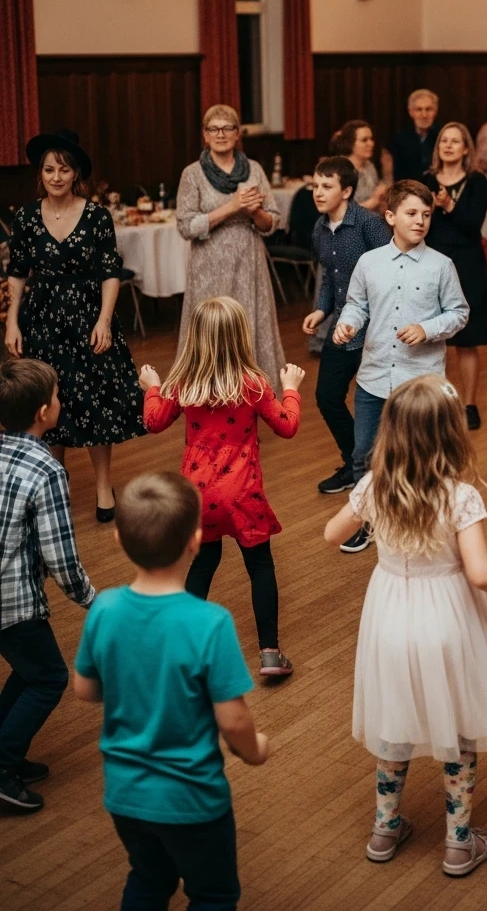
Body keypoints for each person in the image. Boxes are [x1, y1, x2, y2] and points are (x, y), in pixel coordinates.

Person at [323, 375, 487, 877]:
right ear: (450, 433)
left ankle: (385, 829)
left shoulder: (375, 486)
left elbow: (330, 532)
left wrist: (366, 504)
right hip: (447, 615)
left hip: (388, 617)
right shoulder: (460, 496)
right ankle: (459, 843)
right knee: (460, 727)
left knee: (395, 721)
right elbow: (483, 574)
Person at [74, 471, 268, 911]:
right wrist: (255, 749)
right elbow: (233, 719)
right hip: (193, 798)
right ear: (196, 541)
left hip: (125, 795)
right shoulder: (209, 622)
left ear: (120, 540)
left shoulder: (103, 608)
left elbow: (85, 689)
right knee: (213, 893)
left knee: (148, 879)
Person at [139, 297, 303, 678]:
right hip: (243, 492)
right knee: (259, 565)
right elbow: (288, 426)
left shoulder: (183, 384)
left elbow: (153, 421)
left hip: (197, 494)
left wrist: (153, 386)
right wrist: (291, 388)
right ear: (240, 337)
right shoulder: (254, 384)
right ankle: (270, 655)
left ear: (194, 339)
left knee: (203, 563)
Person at [4, 129, 145, 522]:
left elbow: (110, 273)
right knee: (47, 403)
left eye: (64, 170)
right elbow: (16, 272)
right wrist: (12, 322)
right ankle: (55, 484)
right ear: (41, 174)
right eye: (49, 169)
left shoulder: (98, 216)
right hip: (42, 320)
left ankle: (103, 485)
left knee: (93, 403)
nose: (56, 177)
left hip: (87, 318)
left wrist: (103, 320)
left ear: (75, 173)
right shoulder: (27, 217)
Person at [332, 180, 468, 554]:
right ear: (390, 217)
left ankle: (427, 522)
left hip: (420, 382)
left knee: (424, 454)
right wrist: (348, 323)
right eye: (411, 214)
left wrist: (427, 328)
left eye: (426, 214)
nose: (420, 221)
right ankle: (369, 522)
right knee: (364, 452)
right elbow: (356, 304)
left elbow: (459, 313)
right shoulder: (369, 263)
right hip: (374, 376)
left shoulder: (441, 266)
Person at [0, 357, 95, 813]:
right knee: (50, 677)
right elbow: (60, 558)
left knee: (29, 670)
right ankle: (2, 765)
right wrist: (91, 601)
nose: (60, 402)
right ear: (43, 412)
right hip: (12, 601)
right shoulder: (47, 470)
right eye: (56, 396)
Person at [176, 104, 285, 386]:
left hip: (249, 261)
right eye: (214, 128)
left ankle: (252, 402)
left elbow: (271, 223)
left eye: (227, 128)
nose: (220, 134)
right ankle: (211, 404)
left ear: (238, 134)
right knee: (213, 333)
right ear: (205, 135)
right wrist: (232, 206)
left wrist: (255, 213)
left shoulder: (255, 170)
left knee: (249, 329)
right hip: (209, 266)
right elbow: (186, 227)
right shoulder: (192, 174)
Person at [302, 157, 390, 495]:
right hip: (341, 328)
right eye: (316, 186)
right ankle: (354, 464)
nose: (319, 193)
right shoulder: (320, 228)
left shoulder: (369, 224)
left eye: (327, 186)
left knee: (377, 408)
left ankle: (371, 474)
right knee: (327, 397)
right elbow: (329, 277)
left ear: (347, 191)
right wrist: (321, 311)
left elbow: (389, 273)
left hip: (376, 332)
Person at [423, 123, 487, 430]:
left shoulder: (477, 182)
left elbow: (473, 224)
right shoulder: (425, 180)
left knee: (466, 338)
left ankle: (469, 405)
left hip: (466, 261)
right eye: (444, 141)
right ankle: (437, 403)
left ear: (466, 149)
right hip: (431, 260)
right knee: (431, 337)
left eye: (455, 141)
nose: (448, 146)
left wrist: (448, 204)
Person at [328, 121, 388, 211]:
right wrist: (372, 202)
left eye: (371, 139)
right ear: (350, 144)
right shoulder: (340, 170)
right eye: (364, 140)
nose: (371, 144)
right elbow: (339, 210)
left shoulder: (369, 166)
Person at [389, 89, 441, 183]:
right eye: (419, 109)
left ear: (435, 111)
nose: (424, 115)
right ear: (411, 112)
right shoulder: (400, 139)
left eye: (428, 109)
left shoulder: (443, 137)